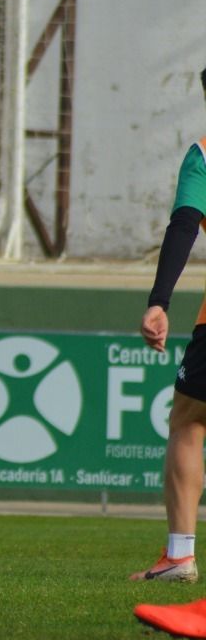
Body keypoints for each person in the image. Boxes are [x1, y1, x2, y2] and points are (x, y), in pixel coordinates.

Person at [129, 66, 206, 585]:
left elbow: (185, 222)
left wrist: (160, 300)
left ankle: (180, 556)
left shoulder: (204, 152)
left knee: (189, 421)